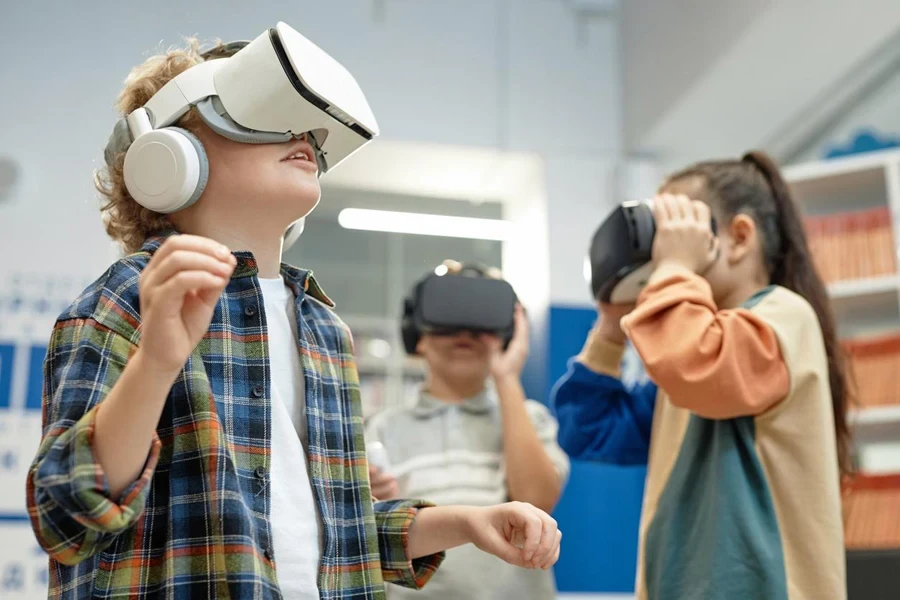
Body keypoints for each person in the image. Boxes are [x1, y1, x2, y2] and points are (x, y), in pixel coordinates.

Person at [25, 35, 561, 599]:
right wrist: (157, 364)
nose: (303, 135)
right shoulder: (129, 297)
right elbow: (65, 514)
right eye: (261, 114)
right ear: (168, 156)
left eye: (307, 124)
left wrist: (465, 523)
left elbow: (336, 533)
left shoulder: (323, 329)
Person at [551, 151, 850, 600]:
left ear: (739, 237)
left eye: (676, 229)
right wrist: (611, 327)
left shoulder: (784, 317)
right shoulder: (687, 357)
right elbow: (587, 429)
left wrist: (673, 270)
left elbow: (701, 366)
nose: (662, 251)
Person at [366, 261, 570, 600]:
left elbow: (537, 500)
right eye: (446, 323)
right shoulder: (384, 428)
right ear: (417, 337)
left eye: (480, 327)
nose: (463, 334)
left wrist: (506, 378)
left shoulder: (529, 418)